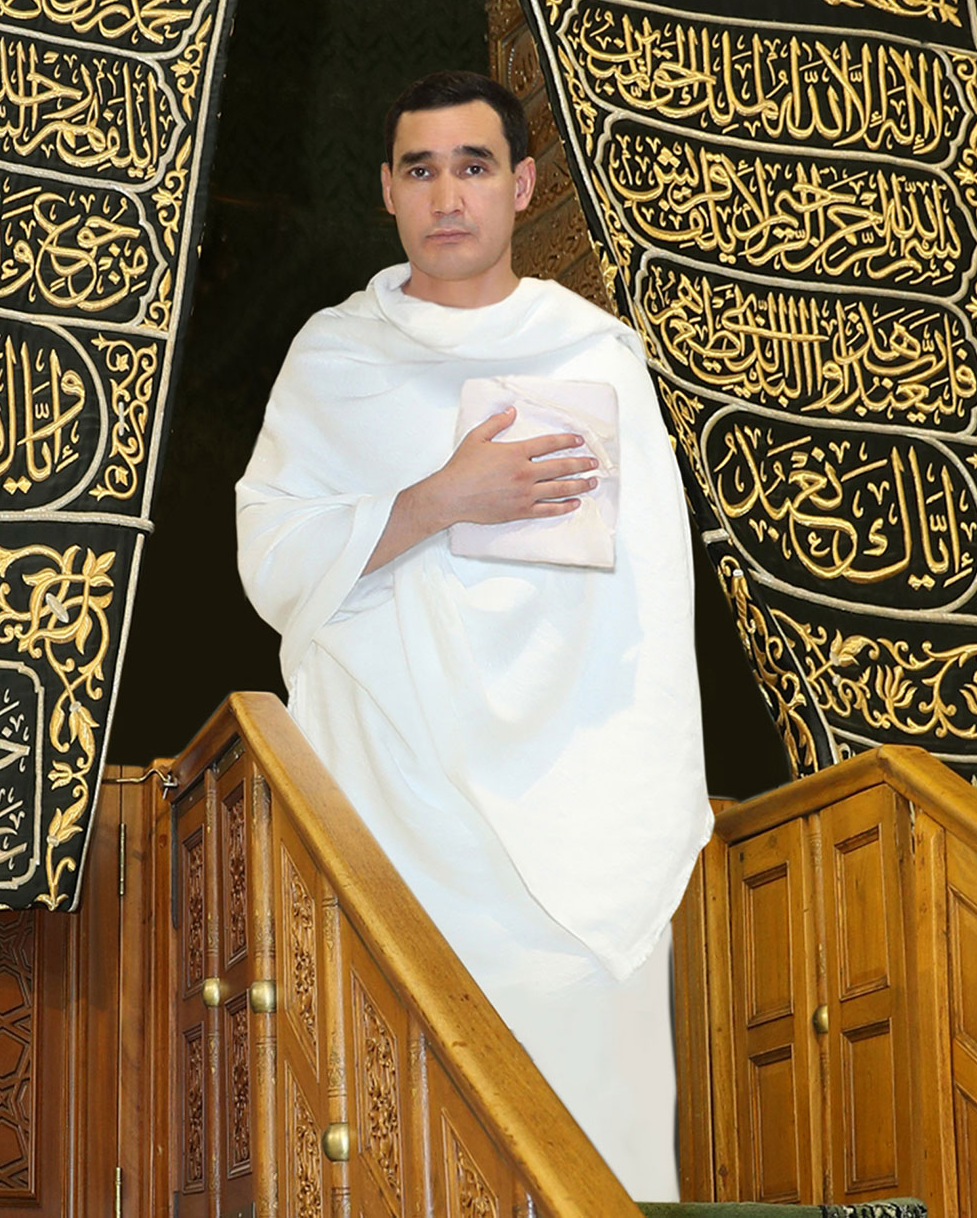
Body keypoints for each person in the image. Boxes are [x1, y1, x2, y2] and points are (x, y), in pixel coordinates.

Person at [235, 71, 711, 1197]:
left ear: (523, 185)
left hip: (575, 815)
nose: (447, 196)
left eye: (474, 166)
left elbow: (651, 608)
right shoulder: (335, 358)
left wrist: (630, 793)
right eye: (422, 169)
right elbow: (273, 561)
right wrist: (441, 499)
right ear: (386, 191)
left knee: (584, 1159)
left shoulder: (596, 354)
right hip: (394, 808)